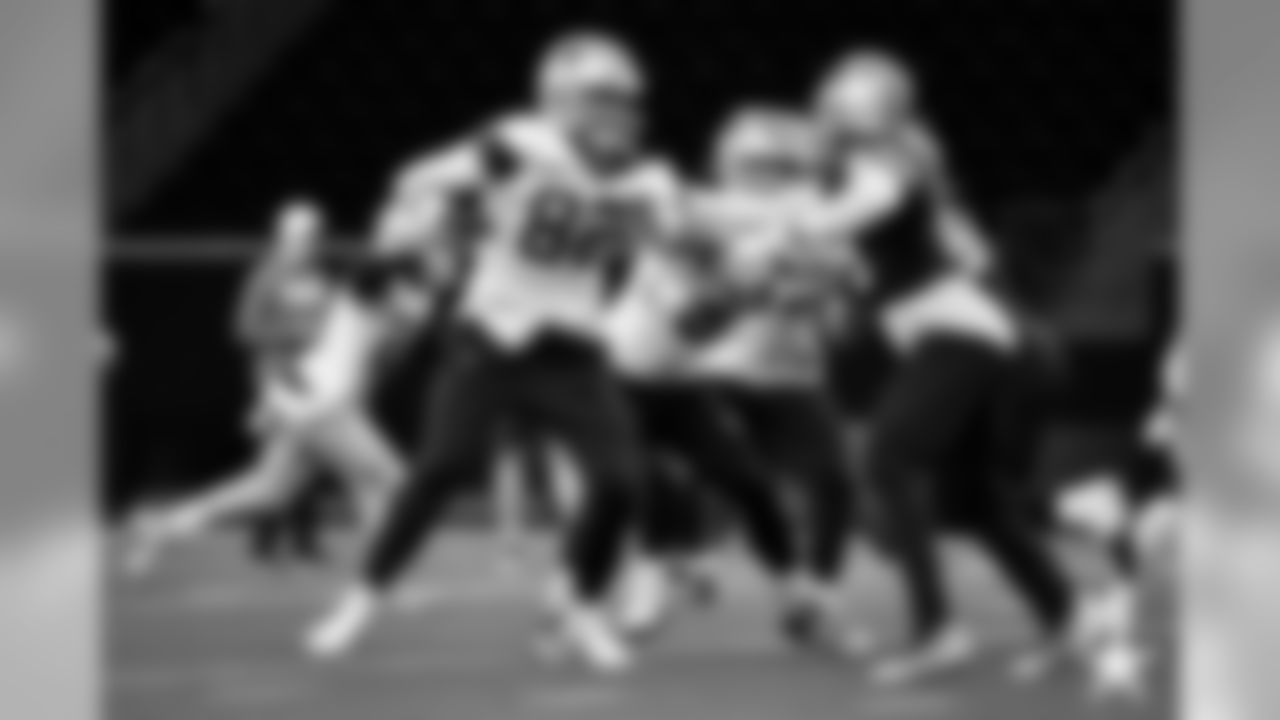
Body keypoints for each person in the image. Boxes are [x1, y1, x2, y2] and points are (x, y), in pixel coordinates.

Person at [305, 31, 680, 673]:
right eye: (602, 99)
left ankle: (583, 606)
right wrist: (436, 210)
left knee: (621, 482)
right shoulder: (521, 145)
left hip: (573, 350)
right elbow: (418, 177)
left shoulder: (650, 182)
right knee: (441, 467)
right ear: (560, 100)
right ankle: (359, 603)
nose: (618, 114)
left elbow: (660, 253)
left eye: (625, 101)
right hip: (492, 340)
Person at [808, 50, 1082, 685]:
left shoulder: (885, 159)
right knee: (975, 499)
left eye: (835, 107)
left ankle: (938, 631)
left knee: (888, 457)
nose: (824, 119)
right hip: (966, 332)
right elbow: (884, 257)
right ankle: (1068, 617)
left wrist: (800, 231)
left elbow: (873, 201)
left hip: (960, 332)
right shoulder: (881, 161)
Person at [122, 200, 408, 576]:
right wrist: (266, 392)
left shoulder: (326, 282)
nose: (307, 241)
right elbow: (248, 331)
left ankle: (160, 527)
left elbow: (359, 338)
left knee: (271, 489)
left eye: (312, 235)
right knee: (391, 477)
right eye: (299, 234)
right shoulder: (281, 277)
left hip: (308, 396)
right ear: (282, 235)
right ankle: (376, 582)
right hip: (314, 400)